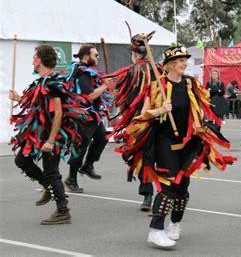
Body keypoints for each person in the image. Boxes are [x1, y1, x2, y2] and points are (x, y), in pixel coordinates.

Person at [118, 45, 236, 248]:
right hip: (165, 141)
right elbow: (142, 115)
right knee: (168, 185)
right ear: (171, 64)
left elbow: (198, 108)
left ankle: (175, 224)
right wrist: (160, 110)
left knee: (183, 188)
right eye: (181, 60)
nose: (185, 63)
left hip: (187, 142)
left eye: (185, 60)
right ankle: (155, 230)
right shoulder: (158, 86)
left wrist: (199, 124)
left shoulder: (190, 84)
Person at [9, 45, 92, 224]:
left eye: (34, 58)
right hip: (39, 134)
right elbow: (39, 104)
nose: (32, 60)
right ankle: (48, 187)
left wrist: (52, 140)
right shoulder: (43, 82)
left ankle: (63, 211)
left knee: (51, 172)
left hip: (52, 135)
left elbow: (59, 113)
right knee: (22, 160)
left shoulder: (53, 83)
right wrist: (18, 98)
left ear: (40, 60)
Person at [102, 32, 156, 211]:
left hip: (140, 124)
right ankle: (154, 193)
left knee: (139, 156)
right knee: (150, 157)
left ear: (135, 54)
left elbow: (123, 99)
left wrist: (112, 86)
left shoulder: (133, 72)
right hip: (156, 120)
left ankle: (148, 194)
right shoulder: (159, 70)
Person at [64, 44, 110, 193]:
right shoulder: (82, 72)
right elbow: (88, 96)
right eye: (95, 55)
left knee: (103, 137)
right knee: (81, 146)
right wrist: (104, 87)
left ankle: (88, 165)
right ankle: (71, 178)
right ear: (85, 56)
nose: (98, 57)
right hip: (84, 115)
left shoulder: (90, 72)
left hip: (93, 115)